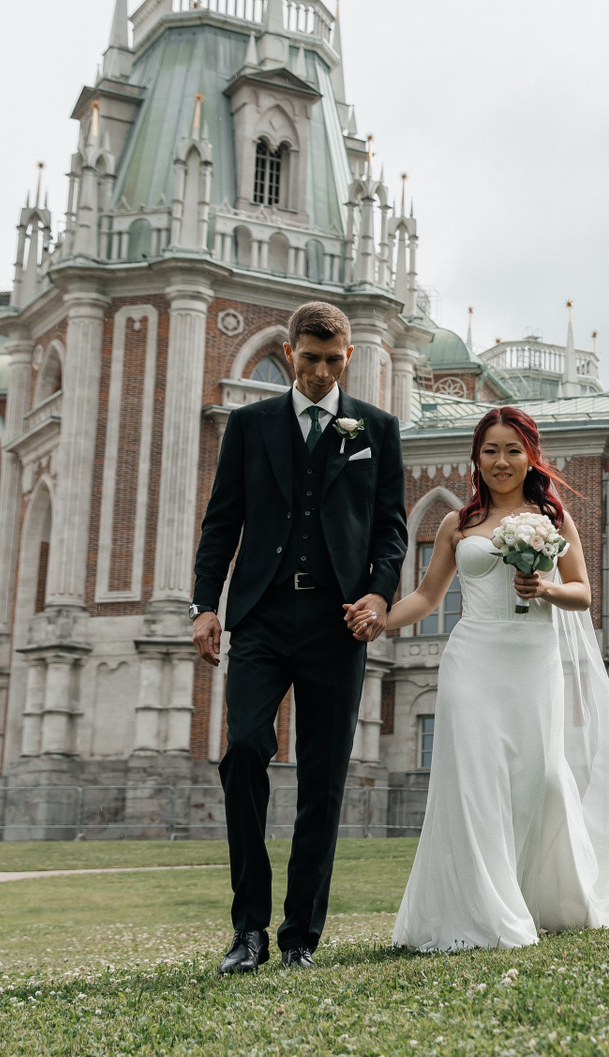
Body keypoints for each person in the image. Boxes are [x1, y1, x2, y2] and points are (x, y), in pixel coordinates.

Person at [352, 406, 609, 951]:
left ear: (530, 456)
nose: (501, 461)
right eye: (490, 451)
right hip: (472, 661)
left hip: (533, 661)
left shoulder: (553, 518)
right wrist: (380, 618)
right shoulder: (458, 524)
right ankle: (482, 912)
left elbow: (582, 594)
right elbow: (427, 597)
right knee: (475, 783)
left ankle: (534, 896)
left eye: (512, 450)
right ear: (477, 459)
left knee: (536, 780)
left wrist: (545, 588)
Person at [191, 301, 406, 974]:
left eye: (333, 360)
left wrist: (379, 594)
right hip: (260, 615)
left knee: (323, 778)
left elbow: (391, 529)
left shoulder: (377, 429)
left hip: (337, 624)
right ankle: (247, 929)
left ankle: (299, 939)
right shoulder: (250, 425)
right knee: (245, 750)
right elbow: (221, 522)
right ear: (290, 354)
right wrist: (204, 605)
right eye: (309, 359)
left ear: (349, 357)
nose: (320, 372)